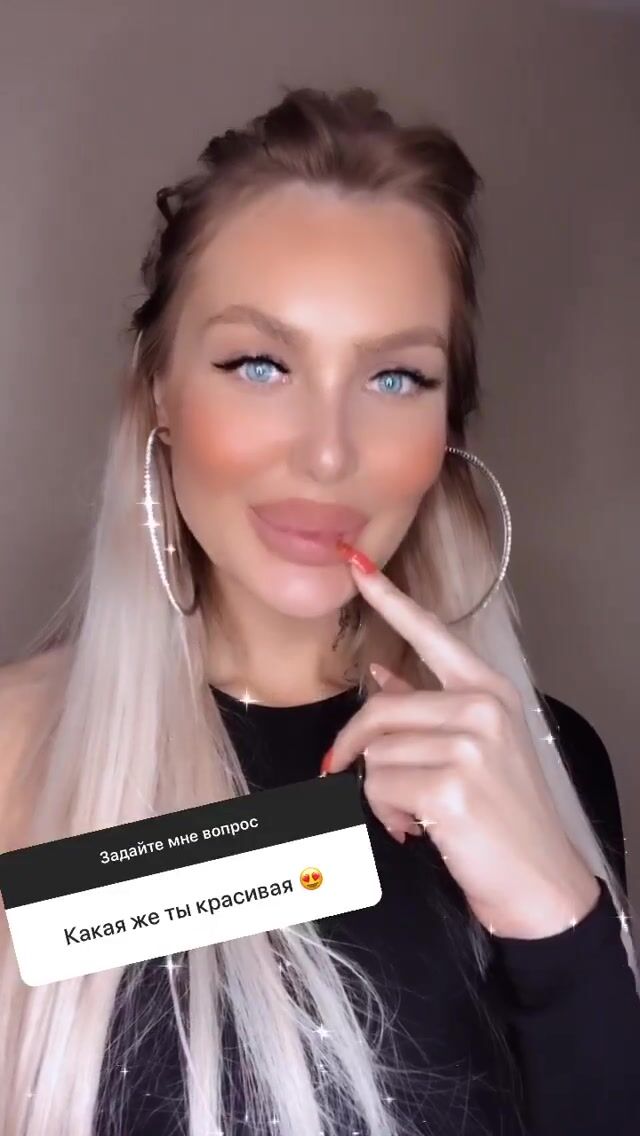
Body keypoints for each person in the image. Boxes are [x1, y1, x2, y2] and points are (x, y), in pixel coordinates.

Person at [0, 84, 638, 1136]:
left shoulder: (545, 762)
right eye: (260, 364)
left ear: (448, 422)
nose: (330, 453)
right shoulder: (18, 755)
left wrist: (561, 928)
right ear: (160, 392)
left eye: (395, 377)